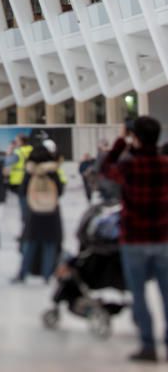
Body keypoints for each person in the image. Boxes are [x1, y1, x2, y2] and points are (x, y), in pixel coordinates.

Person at [101, 116, 168, 363]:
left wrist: (121, 142)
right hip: (163, 238)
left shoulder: (129, 167)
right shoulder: (165, 164)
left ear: (135, 137)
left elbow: (106, 169)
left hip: (134, 239)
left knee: (139, 294)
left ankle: (148, 345)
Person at [12, 140, 64, 284]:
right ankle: (47, 275)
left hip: (34, 211)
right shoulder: (53, 171)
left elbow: (22, 190)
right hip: (51, 212)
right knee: (49, 245)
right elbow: (59, 190)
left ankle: (23, 274)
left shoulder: (30, 171)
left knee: (30, 244)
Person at [7, 135, 33, 232]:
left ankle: (26, 231)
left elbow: (7, 162)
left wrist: (10, 151)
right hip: (31, 181)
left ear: (22, 142)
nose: (15, 142)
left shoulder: (18, 152)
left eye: (17, 141)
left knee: (24, 208)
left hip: (19, 182)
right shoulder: (31, 150)